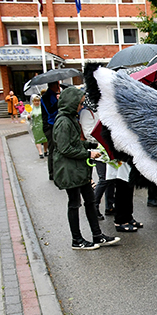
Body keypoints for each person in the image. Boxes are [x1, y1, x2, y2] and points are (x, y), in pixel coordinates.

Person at [51, 86, 120, 250]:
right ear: (71, 103)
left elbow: (74, 143)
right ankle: (77, 240)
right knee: (74, 204)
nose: (82, 107)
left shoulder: (70, 119)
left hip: (78, 170)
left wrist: (92, 144)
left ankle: (97, 235)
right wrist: (88, 154)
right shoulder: (63, 122)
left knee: (89, 201)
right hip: (69, 171)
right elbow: (65, 148)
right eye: (80, 104)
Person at [41, 82, 61, 179]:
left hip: (55, 124)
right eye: (57, 85)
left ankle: (58, 170)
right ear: (53, 86)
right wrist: (58, 102)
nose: (58, 87)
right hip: (49, 125)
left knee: (57, 149)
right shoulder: (46, 97)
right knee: (52, 149)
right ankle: (52, 173)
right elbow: (50, 110)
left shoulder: (53, 95)